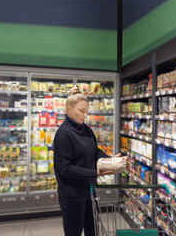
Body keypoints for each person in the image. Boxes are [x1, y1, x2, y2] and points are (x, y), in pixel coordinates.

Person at [54, 85, 127, 236]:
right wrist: (95, 172)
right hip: (72, 195)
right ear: (69, 110)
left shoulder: (86, 130)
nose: (85, 115)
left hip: (89, 191)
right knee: (73, 232)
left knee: (93, 230)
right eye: (81, 111)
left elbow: (95, 152)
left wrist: (111, 161)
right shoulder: (63, 134)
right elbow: (65, 168)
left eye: (87, 111)